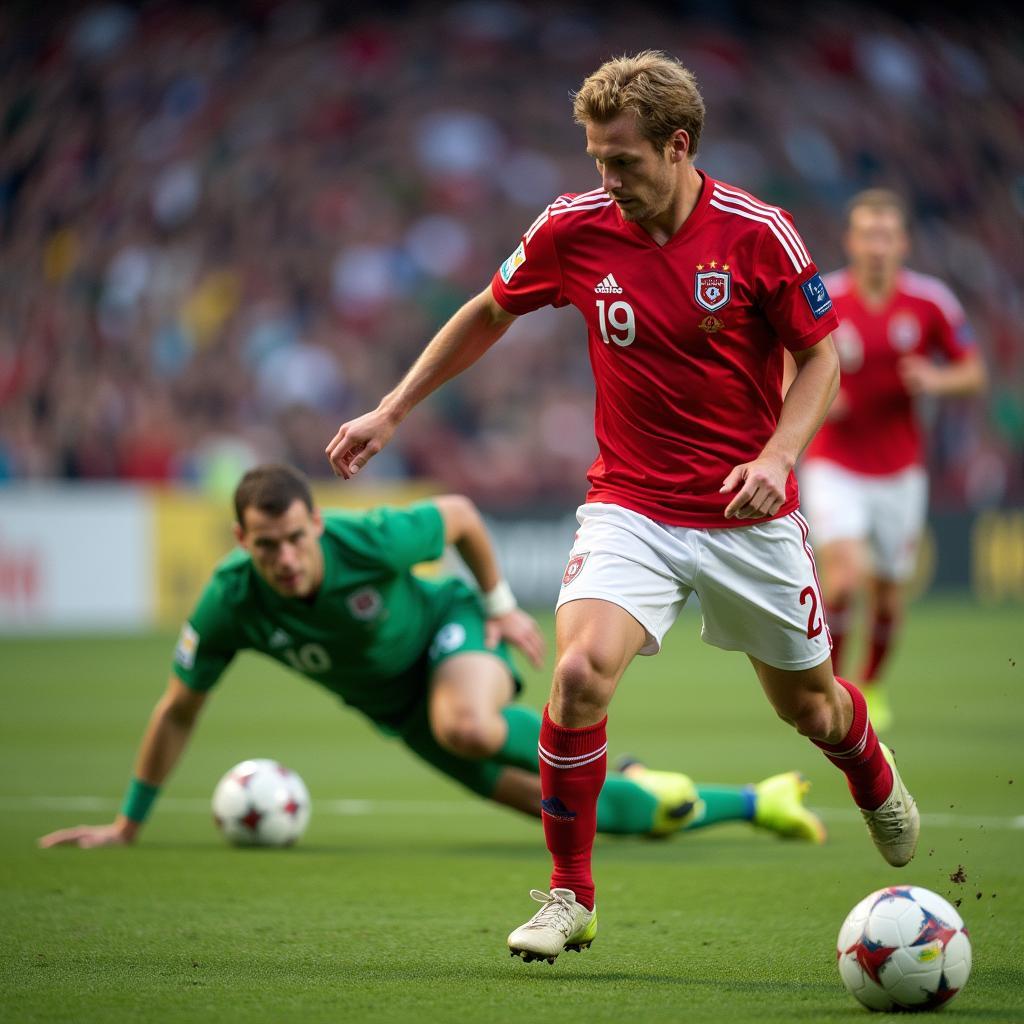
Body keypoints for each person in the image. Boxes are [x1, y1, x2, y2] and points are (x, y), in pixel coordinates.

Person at [325, 51, 919, 966]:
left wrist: (777, 453)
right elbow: (489, 310)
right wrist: (393, 408)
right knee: (575, 678)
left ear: (679, 147)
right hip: (630, 506)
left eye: (625, 162)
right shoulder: (574, 227)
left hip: (747, 516)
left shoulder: (760, 234)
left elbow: (823, 360)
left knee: (812, 710)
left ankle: (872, 779)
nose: (607, 180)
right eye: (596, 159)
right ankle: (570, 894)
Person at [39, 463, 824, 852]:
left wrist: (497, 605)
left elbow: (458, 515)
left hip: (450, 638)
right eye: (266, 546)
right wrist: (127, 823)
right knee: (586, 819)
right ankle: (758, 803)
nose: (284, 559)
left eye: (295, 539)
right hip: (398, 714)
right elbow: (179, 706)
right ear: (243, 542)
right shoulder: (230, 602)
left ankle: (611, 760)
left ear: (317, 525)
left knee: (470, 727)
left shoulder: (364, 539)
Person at [799, 190, 986, 730]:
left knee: (886, 597)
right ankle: (830, 691)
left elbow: (972, 372)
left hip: (901, 469)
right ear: (850, 241)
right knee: (842, 580)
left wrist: (935, 378)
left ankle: (872, 686)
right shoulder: (824, 295)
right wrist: (821, 395)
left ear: (902, 242)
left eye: (887, 235)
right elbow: (786, 360)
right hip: (835, 463)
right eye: (867, 235)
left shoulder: (930, 302)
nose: (877, 246)